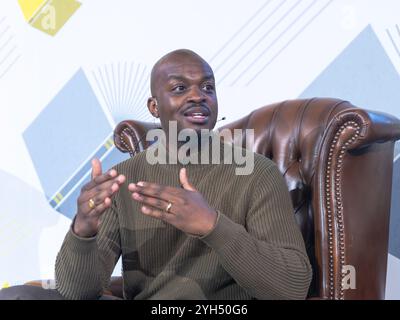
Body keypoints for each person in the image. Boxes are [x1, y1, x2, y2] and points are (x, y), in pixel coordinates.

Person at [0, 49, 312, 300]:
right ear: (153, 106)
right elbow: (76, 293)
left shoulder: (257, 173)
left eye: (207, 88)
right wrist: (83, 230)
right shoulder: (123, 178)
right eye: (180, 88)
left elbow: (292, 288)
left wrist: (211, 225)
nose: (198, 96)